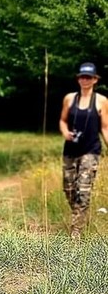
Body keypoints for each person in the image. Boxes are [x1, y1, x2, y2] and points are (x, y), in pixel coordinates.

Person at [59, 61, 108, 238]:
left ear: (95, 80)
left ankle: (76, 231)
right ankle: (81, 215)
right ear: (78, 79)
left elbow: (105, 127)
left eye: (89, 77)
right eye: (82, 77)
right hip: (70, 150)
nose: (85, 80)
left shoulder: (101, 101)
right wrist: (65, 132)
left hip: (91, 150)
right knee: (69, 188)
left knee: (84, 189)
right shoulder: (69, 98)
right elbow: (63, 120)